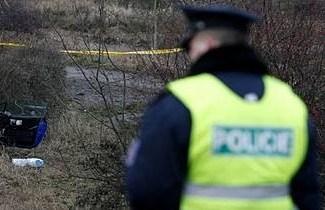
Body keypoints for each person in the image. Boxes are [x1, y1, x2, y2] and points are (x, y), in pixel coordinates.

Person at [125, 5, 322, 210]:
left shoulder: (182, 101)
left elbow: (147, 191)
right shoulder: (289, 102)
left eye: (190, 48)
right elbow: (308, 194)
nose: (190, 56)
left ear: (208, 45)